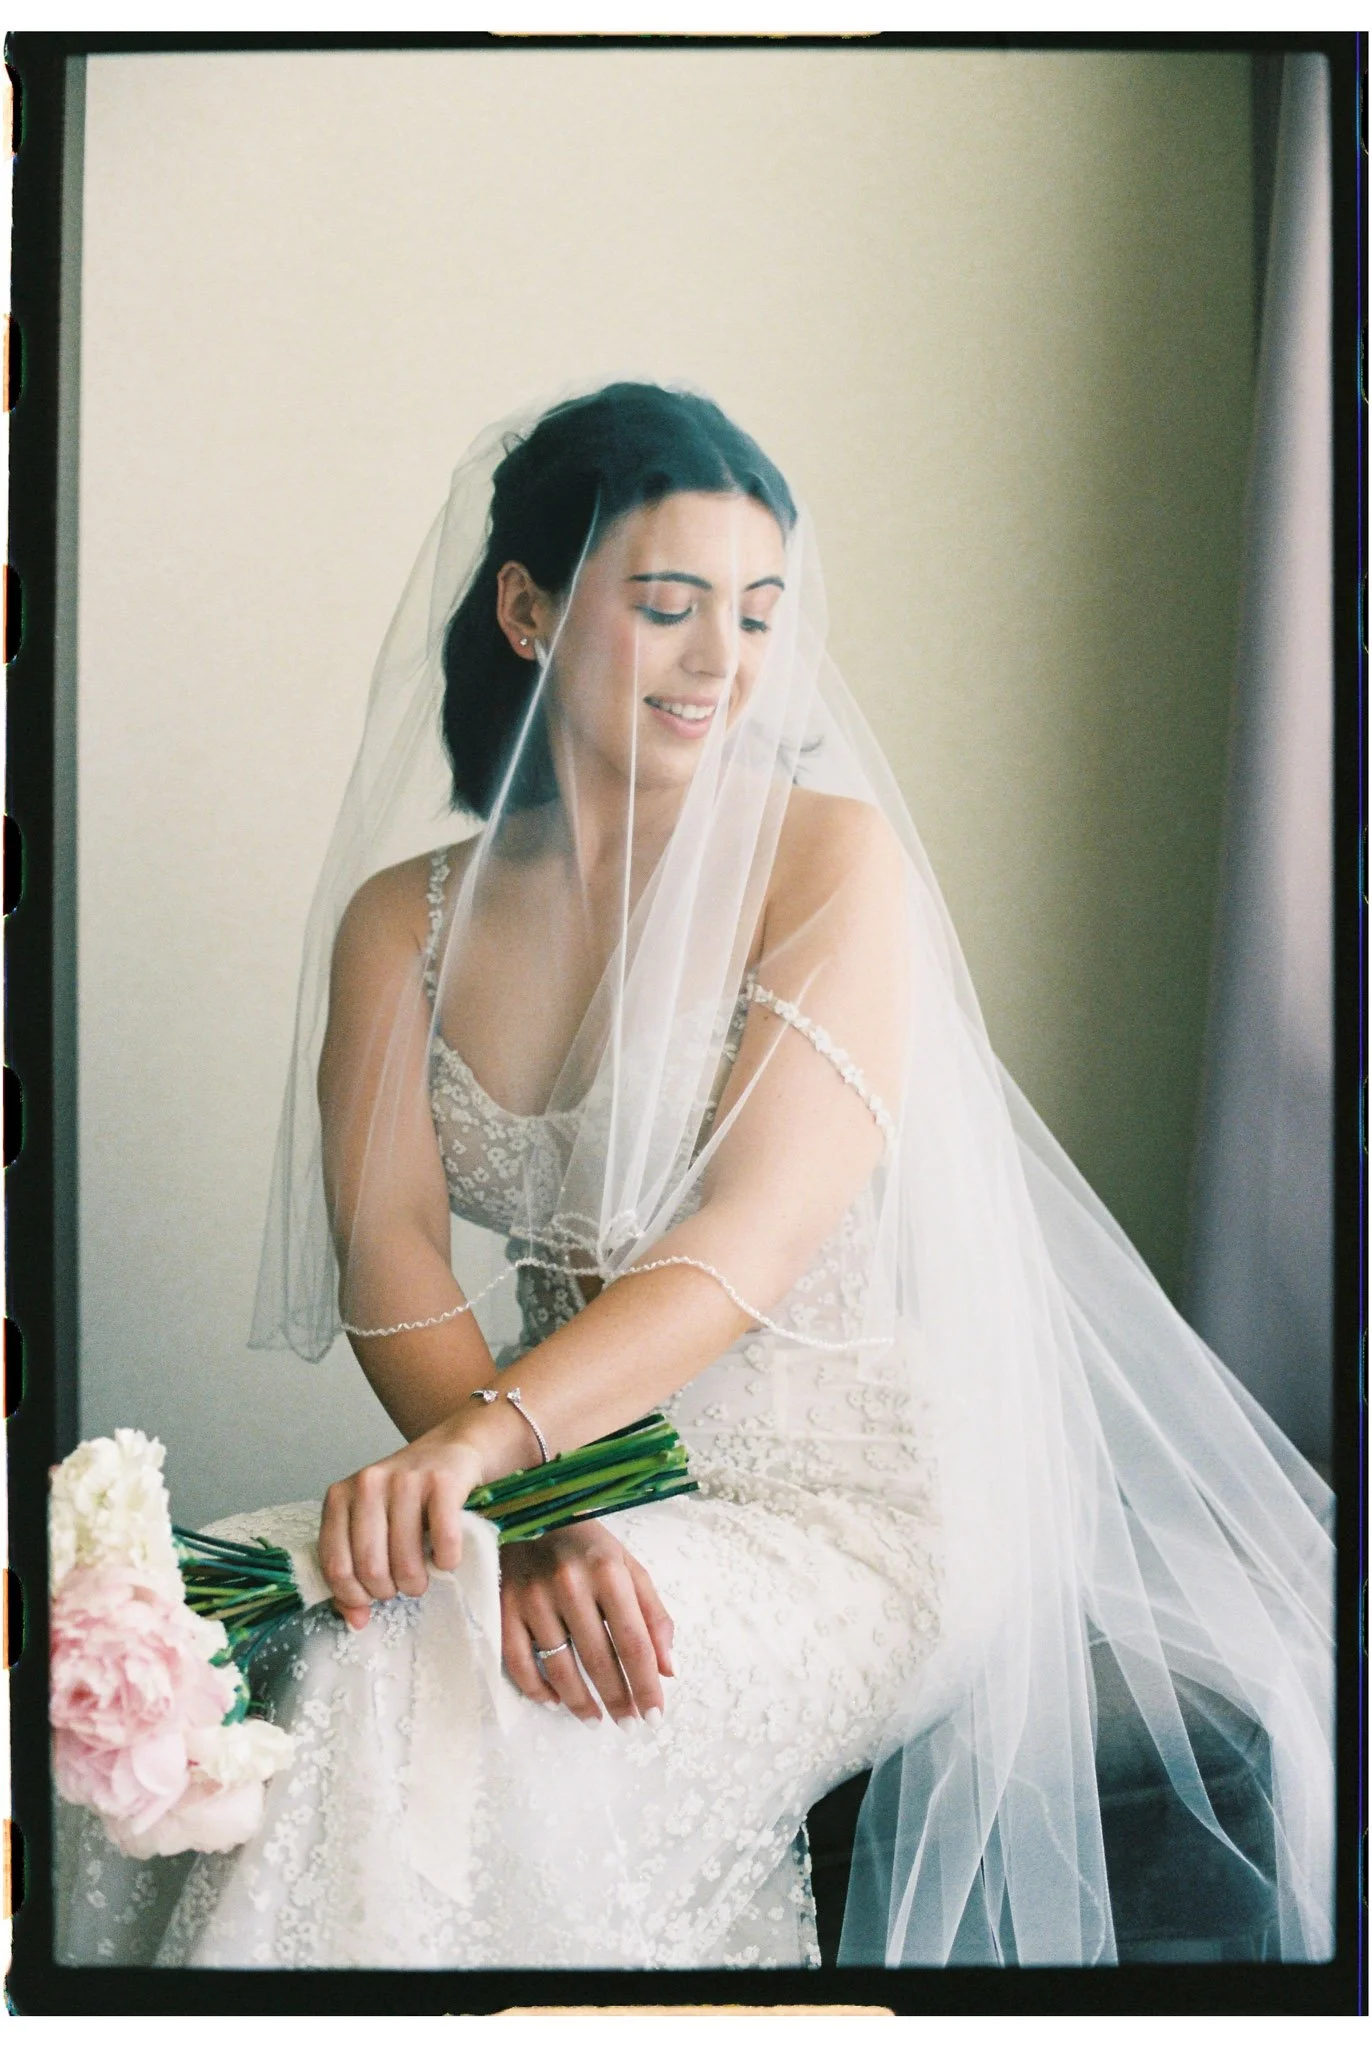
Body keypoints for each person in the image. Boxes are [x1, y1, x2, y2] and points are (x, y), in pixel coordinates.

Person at [56, 383, 1334, 1971]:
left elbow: (755, 1232)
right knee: (163, 1643)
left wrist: (505, 1460)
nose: (722, 660)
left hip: (849, 1509)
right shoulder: (405, 920)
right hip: (570, 1472)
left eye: (756, 612)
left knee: (430, 1678)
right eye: (666, 606)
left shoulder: (831, 862)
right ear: (527, 608)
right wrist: (532, 1499)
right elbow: (386, 1239)